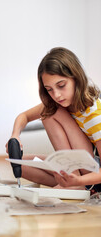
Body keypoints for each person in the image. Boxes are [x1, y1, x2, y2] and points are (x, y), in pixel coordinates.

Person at [6, 47, 101, 192]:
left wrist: (80, 179)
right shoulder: (61, 102)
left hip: (94, 175)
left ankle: (76, 183)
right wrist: (15, 135)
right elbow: (23, 116)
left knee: (50, 111)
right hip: (82, 172)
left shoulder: (95, 115)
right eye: (49, 89)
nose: (56, 95)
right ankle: (74, 185)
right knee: (19, 164)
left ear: (76, 78)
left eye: (61, 85)